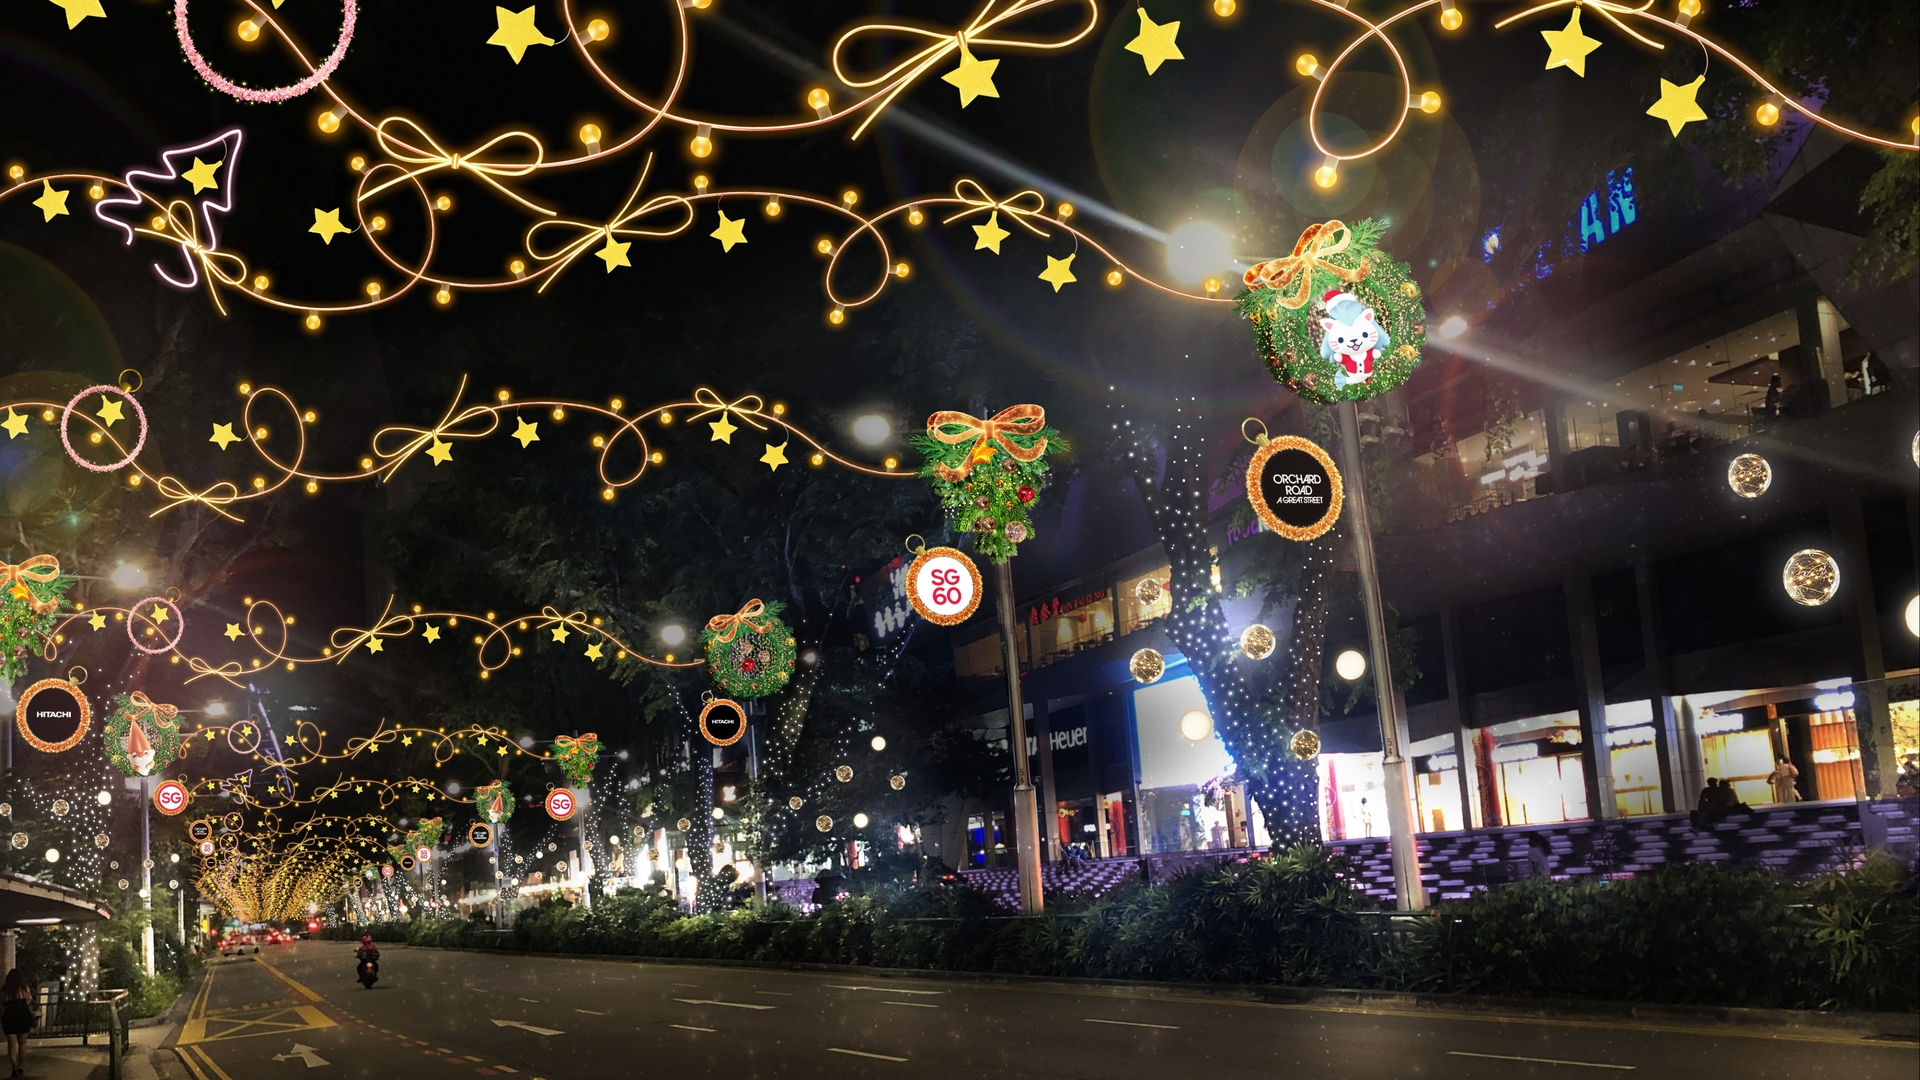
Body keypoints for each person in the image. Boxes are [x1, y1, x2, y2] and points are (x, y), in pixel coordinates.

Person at [2, 969, 36, 1077]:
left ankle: (14, 1068)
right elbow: (29, 1000)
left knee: (11, 1043)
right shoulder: (24, 989)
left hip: (9, 1017)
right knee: (22, 1043)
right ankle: (21, 1066)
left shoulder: (3, 991)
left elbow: (2, 1003)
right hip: (22, 1016)